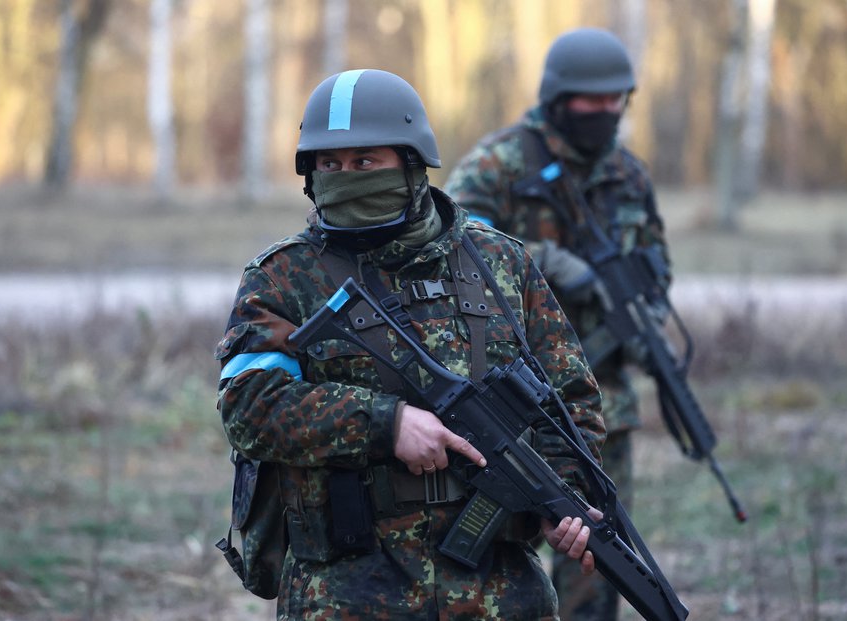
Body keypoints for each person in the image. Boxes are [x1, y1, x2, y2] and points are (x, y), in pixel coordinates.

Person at [216, 68, 607, 620]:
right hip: (345, 595)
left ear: (412, 163)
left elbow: (572, 400)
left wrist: (563, 498)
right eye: (331, 164)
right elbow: (249, 407)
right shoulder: (282, 277)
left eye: (365, 161)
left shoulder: (499, 264)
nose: (345, 176)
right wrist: (385, 423)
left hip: (500, 594)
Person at [444, 28, 672, 621]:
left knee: (597, 561)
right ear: (556, 97)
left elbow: (655, 260)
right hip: (507, 401)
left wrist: (645, 316)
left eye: (613, 102)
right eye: (587, 102)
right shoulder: (500, 162)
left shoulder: (628, 175)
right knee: (495, 559)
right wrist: (545, 260)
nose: (602, 113)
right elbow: (448, 240)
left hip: (599, 408)